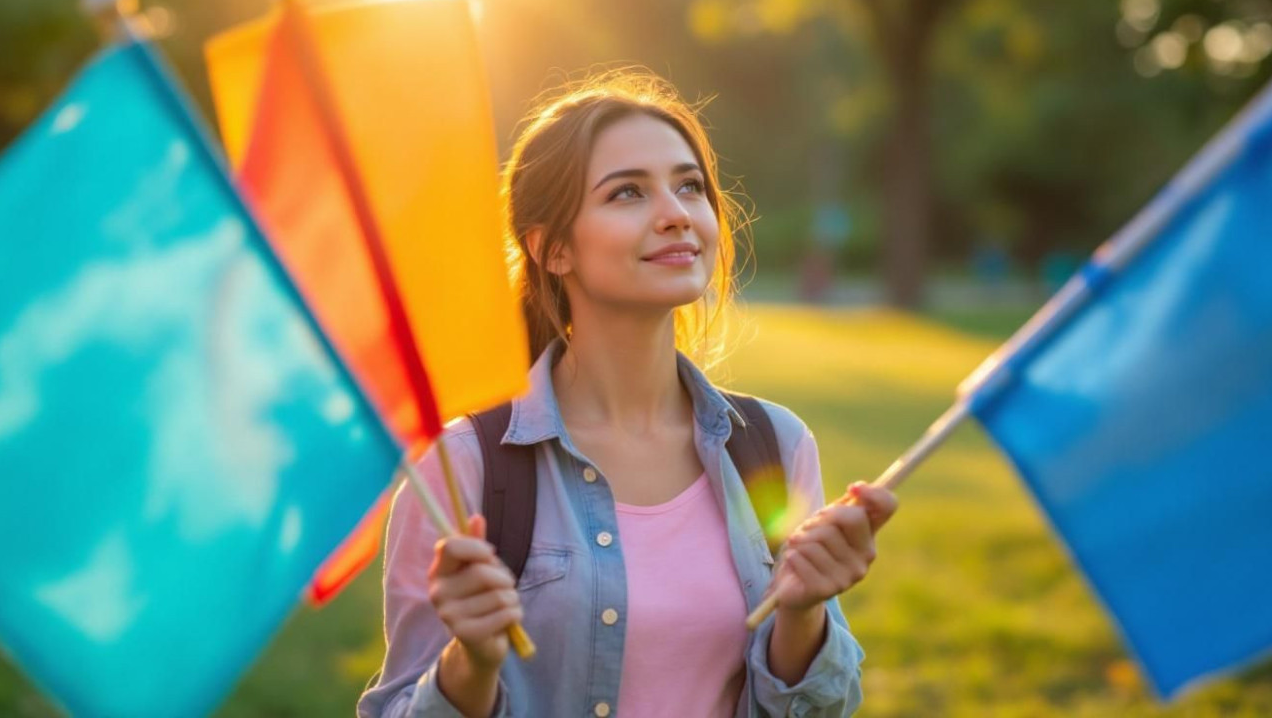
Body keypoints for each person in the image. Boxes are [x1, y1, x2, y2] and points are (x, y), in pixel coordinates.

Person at [357, 70, 898, 718]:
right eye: (628, 193)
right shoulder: (463, 467)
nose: (676, 214)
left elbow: (819, 709)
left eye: (690, 185)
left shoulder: (775, 446)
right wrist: (469, 662)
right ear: (552, 248)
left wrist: (804, 611)